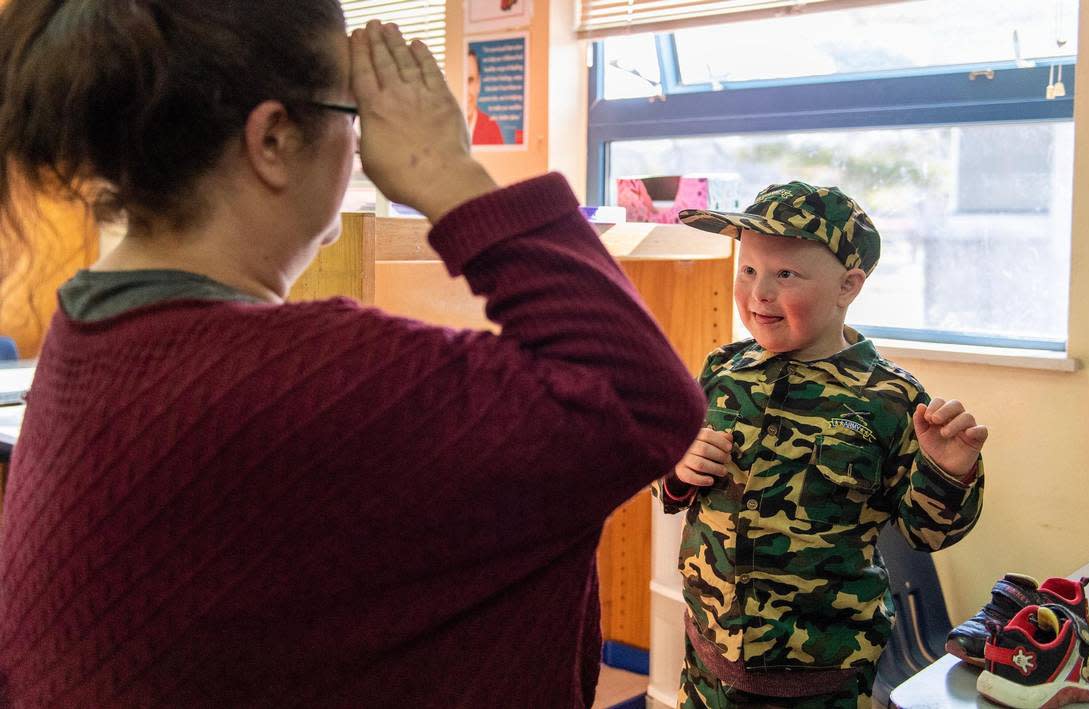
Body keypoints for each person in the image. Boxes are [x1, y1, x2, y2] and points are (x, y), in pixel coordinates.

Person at [0, 3, 705, 706]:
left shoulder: (89, 325)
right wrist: (444, 169)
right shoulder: (312, 380)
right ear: (273, 138)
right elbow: (640, 401)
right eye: (355, 110)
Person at [654, 182, 988, 708]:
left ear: (847, 286)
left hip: (821, 677)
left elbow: (927, 534)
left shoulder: (890, 399)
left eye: (785, 274)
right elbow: (672, 492)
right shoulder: (722, 370)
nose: (758, 293)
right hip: (707, 659)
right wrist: (677, 467)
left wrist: (948, 471)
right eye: (748, 270)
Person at [466, 49, 505, 145]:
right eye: (460, 81)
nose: (465, 91)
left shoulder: (492, 130)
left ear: (479, 84)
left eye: (470, 80)